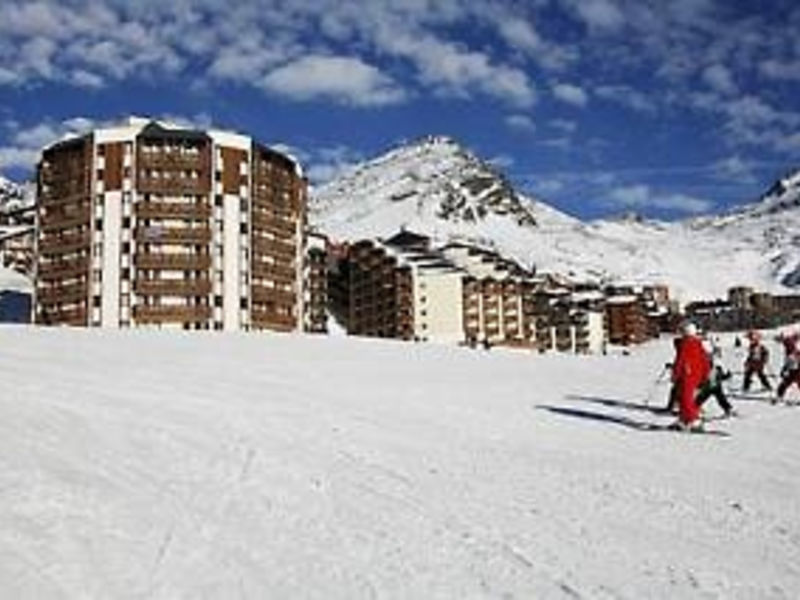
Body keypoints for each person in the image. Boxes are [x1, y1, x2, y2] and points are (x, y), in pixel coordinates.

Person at [671, 322, 711, 430]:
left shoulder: (685, 345)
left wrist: (675, 374)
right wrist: (705, 374)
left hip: (687, 375)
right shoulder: (698, 344)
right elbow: (705, 361)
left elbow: (680, 361)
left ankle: (694, 420)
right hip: (696, 375)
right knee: (683, 397)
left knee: (685, 398)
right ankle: (684, 419)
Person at [775, 336, 800, 404]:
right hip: (791, 371)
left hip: (797, 371)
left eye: (788, 345)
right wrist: (783, 370)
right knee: (783, 384)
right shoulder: (788, 353)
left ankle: (779, 396)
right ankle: (779, 396)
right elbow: (787, 363)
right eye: (786, 345)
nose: (786, 347)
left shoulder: (796, 352)